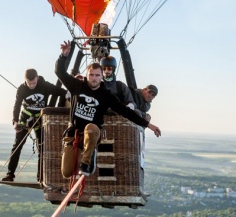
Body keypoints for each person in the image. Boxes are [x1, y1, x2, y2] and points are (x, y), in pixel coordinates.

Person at [55, 40, 161, 178]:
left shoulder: (106, 95)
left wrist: (148, 124)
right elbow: (59, 72)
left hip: (92, 133)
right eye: (91, 75)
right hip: (73, 133)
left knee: (91, 128)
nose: (94, 78)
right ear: (87, 75)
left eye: (97, 75)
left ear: (101, 77)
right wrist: (63, 56)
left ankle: (87, 161)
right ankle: (85, 155)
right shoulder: (76, 86)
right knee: (67, 172)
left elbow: (126, 112)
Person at [2, 68, 67, 182]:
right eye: (29, 83)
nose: (31, 86)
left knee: (42, 148)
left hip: (40, 119)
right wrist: (15, 121)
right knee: (17, 145)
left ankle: (41, 177)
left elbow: (59, 91)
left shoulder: (44, 85)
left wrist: (70, 94)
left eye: (33, 83)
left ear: (37, 78)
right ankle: (10, 174)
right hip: (25, 118)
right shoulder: (22, 89)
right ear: (25, 80)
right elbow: (17, 105)